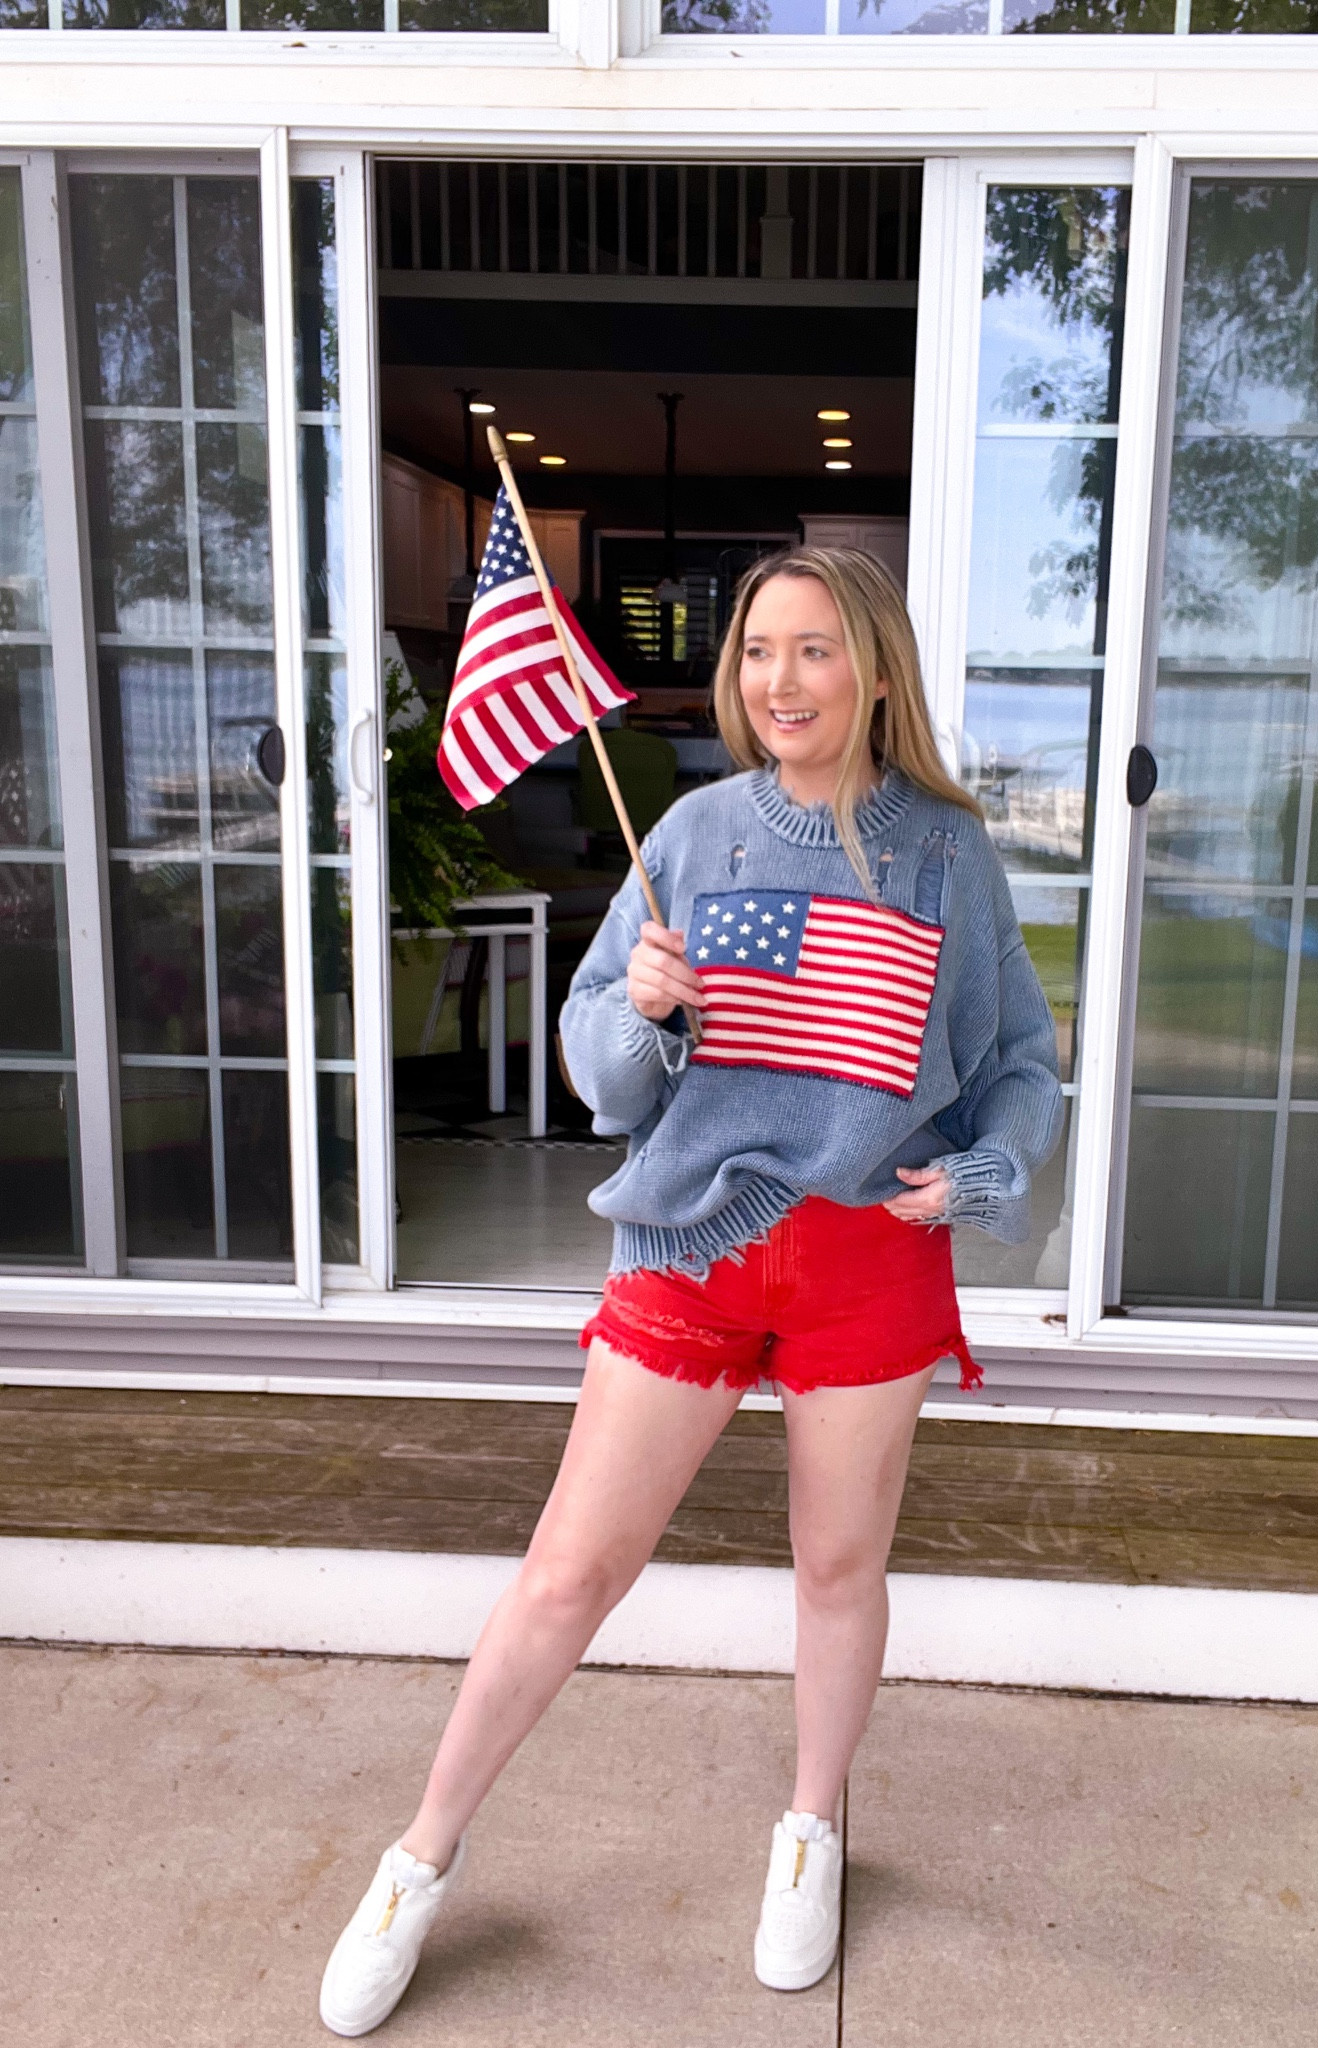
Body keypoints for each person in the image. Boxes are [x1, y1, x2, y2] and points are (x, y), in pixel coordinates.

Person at [318, 546, 1063, 2037]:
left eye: (812, 652)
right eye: (756, 654)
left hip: (868, 1259)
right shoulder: (696, 832)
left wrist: (986, 1176)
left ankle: (809, 1831)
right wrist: (645, 1013)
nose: (778, 682)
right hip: (692, 1250)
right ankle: (419, 1857)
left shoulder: (945, 856)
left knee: (839, 1570)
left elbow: (1017, 1066)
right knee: (570, 1572)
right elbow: (604, 1068)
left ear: (874, 671)